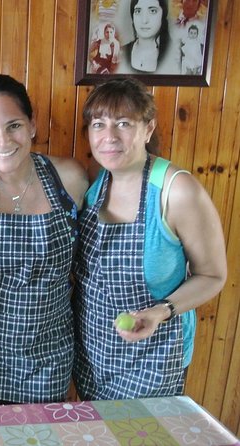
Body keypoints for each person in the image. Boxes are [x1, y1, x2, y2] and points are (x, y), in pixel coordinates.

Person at [72, 77, 227, 400]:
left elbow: (212, 275)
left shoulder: (177, 191)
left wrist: (159, 312)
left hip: (154, 358)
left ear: (149, 128)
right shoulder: (96, 182)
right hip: (94, 354)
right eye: (98, 124)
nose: (109, 137)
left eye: (124, 123)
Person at [0, 73, 88, 405]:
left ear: (32, 124)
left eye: (13, 126)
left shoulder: (70, 179)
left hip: (51, 352)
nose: (3, 141)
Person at [120, 0, 172, 73]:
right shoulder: (120, 52)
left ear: (163, 14)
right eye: (138, 11)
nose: (144, 20)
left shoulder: (174, 54)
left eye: (152, 11)